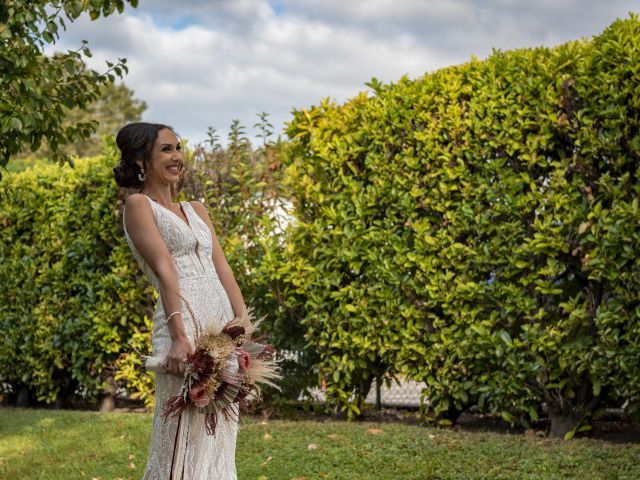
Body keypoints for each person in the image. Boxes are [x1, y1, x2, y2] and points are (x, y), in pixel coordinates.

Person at [113, 122, 247, 479]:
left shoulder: (198, 209)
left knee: (219, 430)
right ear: (141, 159)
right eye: (167, 150)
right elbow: (165, 268)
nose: (178, 157)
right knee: (179, 435)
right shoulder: (138, 205)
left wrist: (242, 320)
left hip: (220, 329)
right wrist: (178, 337)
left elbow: (222, 267)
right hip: (183, 327)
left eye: (179, 148)